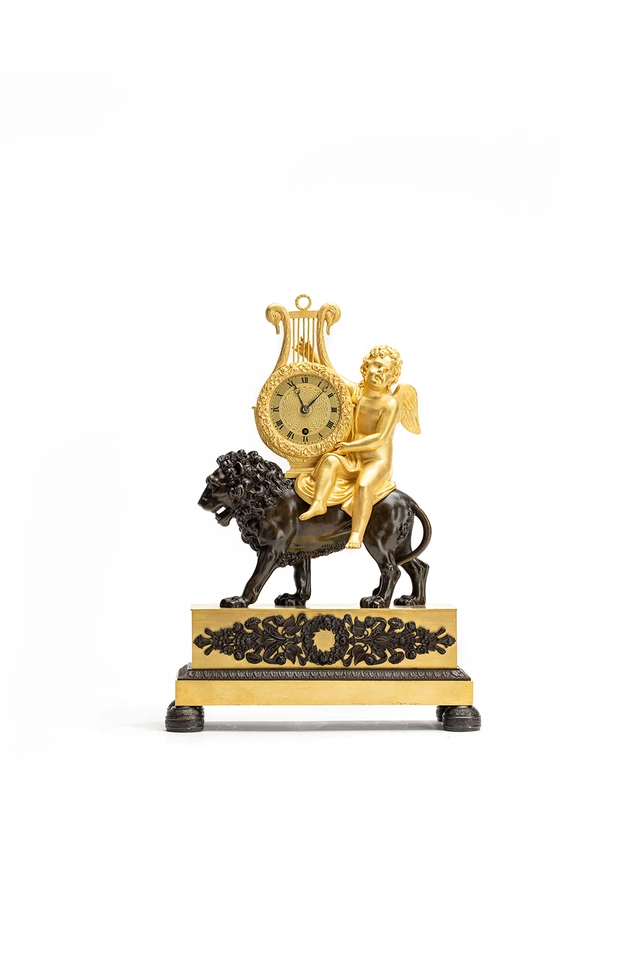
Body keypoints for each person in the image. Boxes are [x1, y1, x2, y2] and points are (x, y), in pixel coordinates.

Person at [297, 345, 419, 548]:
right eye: (377, 366)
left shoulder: (389, 404)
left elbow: (379, 438)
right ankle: (318, 503)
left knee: (363, 485)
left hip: (376, 461)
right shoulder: (358, 392)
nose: (380, 373)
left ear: (392, 379)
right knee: (329, 461)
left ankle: (356, 533)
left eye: (387, 371)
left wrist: (347, 447)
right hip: (354, 457)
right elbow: (333, 376)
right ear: (366, 367)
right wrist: (312, 355)